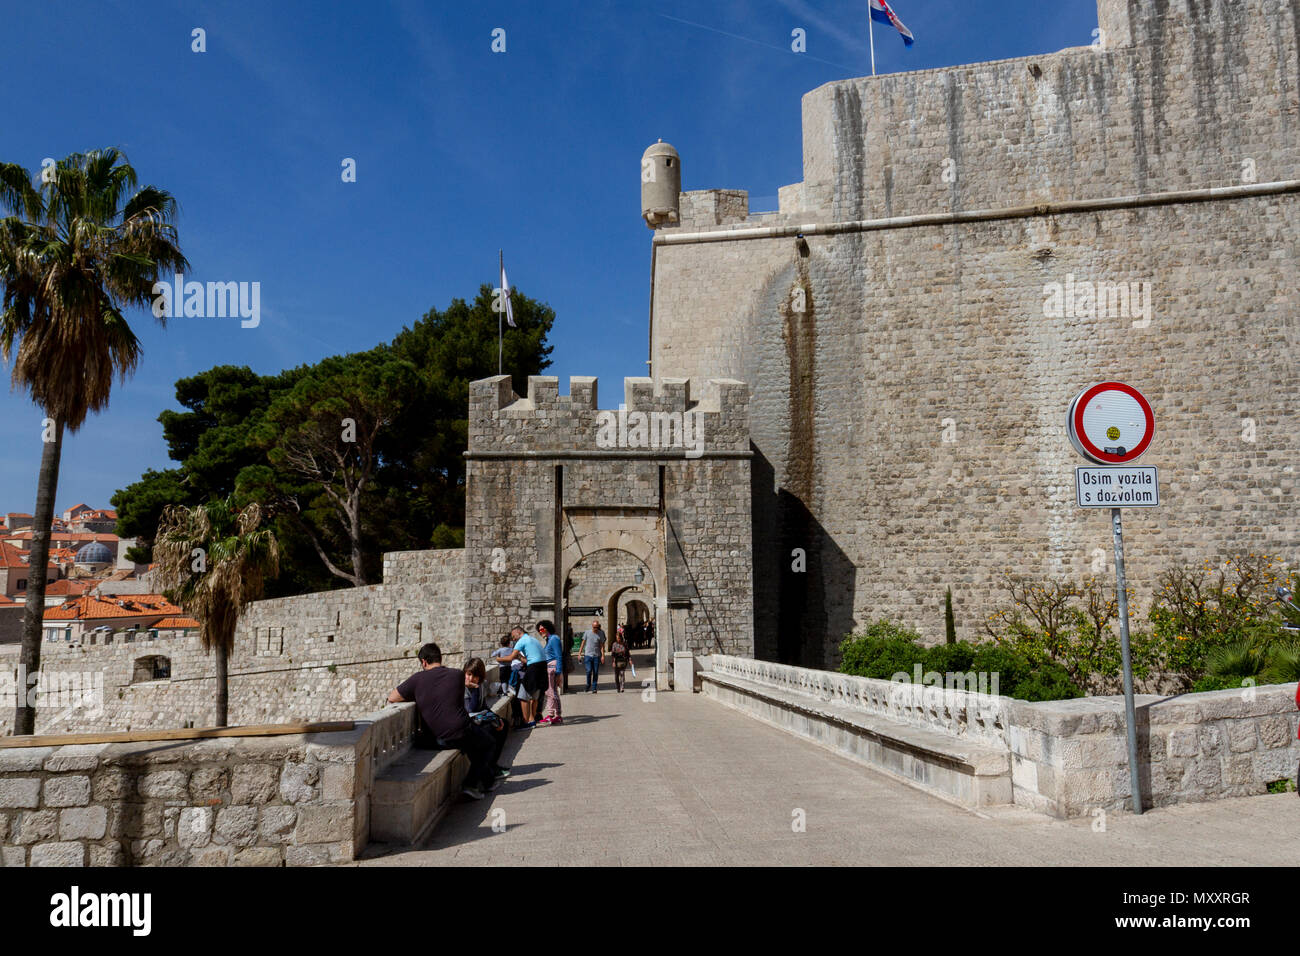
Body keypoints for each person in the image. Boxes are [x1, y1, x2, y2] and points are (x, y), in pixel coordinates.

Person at [388, 643, 500, 800]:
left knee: (473, 745)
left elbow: (392, 698)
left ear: (424, 662)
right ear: (440, 658)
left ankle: (487, 782)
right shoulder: (456, 675)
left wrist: (417, 693)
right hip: (460, 731)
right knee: (488, 744)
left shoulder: (417, 679)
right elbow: (466, 684)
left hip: (435, 739)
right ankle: (472, 784)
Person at [463, 657, 509, 779]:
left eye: (475, 676)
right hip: (470, 723)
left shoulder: (481, 685)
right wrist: (475, 689)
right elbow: (471, 709)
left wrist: (496, 718)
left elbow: (483, 706)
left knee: (503, 724)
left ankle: (492, 765)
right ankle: (487, 769)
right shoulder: (466, 688)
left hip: (479, 718)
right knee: (489, 732)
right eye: (468, 675)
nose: (471, 679)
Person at [496, 624, 547, 726]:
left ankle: (526, 722)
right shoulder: (533, 639)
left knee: (522, 696)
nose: (513, 638)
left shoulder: (521, 641)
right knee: (534, 696)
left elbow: (510, 657)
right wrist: (519, 657)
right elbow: (527, 659)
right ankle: (532, 720)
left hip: (533, 668)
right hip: (542, 667)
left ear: (518, 632)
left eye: (513, 636)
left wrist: (499, 659)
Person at [538, 619, 564, 725]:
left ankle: (553, 715)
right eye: (539, 630)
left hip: (552, 667)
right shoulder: (550, 639)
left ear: (547, 628)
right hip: (550, 667)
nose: (540, 631)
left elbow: (558, 655)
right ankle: (555, 715)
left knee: (551, 692)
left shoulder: (554, 639)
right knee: (551, 691)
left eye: (542, 629)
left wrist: (558, 672)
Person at [579, 619, 606, 693]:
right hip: (588, 655)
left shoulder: (600, 633)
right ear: (592, 626)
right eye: (594, 627)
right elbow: (583, 643)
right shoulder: (587, 633)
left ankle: (594, 687)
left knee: (596, 672)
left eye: (597, 627)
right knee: (588, 671)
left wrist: (603, 656)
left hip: (596, 656)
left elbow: (601, 646)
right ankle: (588, 685)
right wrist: (579, 653)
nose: (595, 629)